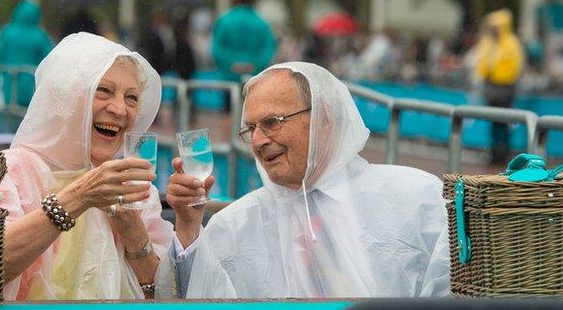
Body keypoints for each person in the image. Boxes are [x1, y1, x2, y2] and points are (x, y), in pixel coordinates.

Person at [163, 62, 450, 298]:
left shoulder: (416, 198)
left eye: (272, 122)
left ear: (324, 118)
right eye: (250, 128)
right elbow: (196, 301)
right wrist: (188, 227)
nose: (260, 140)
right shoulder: (237, 223)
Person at [0, 32, 174, 300]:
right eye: (103, 91)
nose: (120, 109)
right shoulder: (9, 171)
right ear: (67, 97)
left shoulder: (132, 187)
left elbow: (163, 297)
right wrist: (80, 197)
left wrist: (134, 233)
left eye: (131, 98)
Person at [474, 9, 525, 164]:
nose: (493, 30)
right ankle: (495, 153)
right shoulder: (489, 43)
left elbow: (515, 67)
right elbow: (482, 63)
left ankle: (503, 154)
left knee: (503, 123)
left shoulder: (511, 43)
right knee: (494, 122)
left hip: (505, 87)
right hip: (491, 86)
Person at [211, 0, 277, 108]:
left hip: (229, 76)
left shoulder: (224, 20)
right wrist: (254, 65)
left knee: (229, 112)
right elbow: (269, 49)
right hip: (254, 76)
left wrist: (230, 64)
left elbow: (216, 49)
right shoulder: (261, 23)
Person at [0, 0, 53, 106]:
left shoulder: (7, 32)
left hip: (10, 83)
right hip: (31, 85)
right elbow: (50, 59)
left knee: (9, 113)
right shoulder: (40, 36)